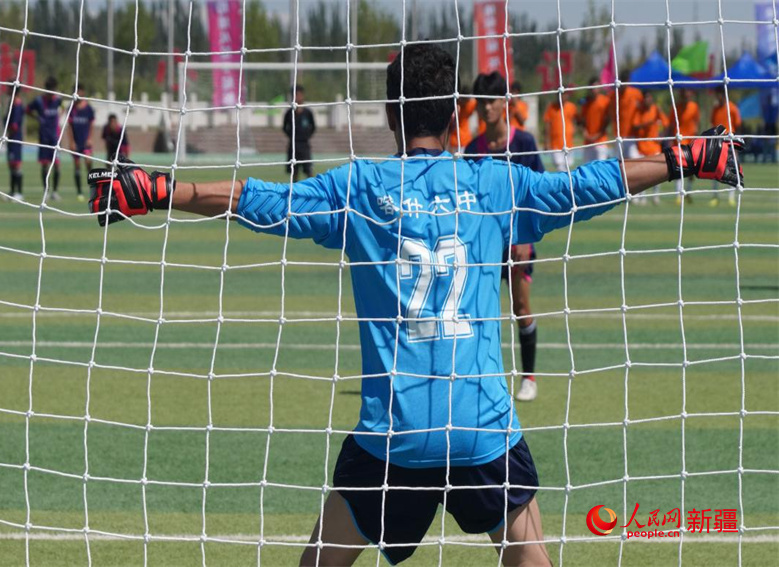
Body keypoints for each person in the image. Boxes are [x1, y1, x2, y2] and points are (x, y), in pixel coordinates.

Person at [87, 44, 744, 567]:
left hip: (394, 437)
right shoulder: (494, 182)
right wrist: (688, 156)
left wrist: (158, 188)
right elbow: (590, 184)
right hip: (481, 426)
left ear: (389, 113)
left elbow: (255, 200)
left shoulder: (361, 188)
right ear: (457, 109)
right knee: (528, 552)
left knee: (320, 559)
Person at [465, 71, 543, 402]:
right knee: (478, 311)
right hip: (483, 247)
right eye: (481, 102)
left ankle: (529, 377)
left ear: (505, 103)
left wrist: (524, 238)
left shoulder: (523, 143)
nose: (486, 108)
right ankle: (481, 379)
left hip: (517, 244)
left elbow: (539, 192)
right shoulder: (472, 149)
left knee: (520, 306)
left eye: (492, 101)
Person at [27, 76, 63, 200]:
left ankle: (55, 191)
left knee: (57, 165)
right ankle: (46, 191)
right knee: (44, 165)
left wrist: (59, 117)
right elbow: (27, 109)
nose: (51, 92)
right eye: (50, 89)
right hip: (44, 137)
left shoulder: (58, 100)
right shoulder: (39, 101)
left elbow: (64, 107)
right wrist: (37, 118)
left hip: (55, 138)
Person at [630, 91, 669, 205]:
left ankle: (655, 197)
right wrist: (647, 124)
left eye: (649, 97)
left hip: (654, 146)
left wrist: (662, 137)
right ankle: (642, 197)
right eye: (645, 98)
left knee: (657, 174)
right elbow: (635, 125)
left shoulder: (656, 109)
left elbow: (666, 124)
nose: (647, 100)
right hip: (642, 146)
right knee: (641, 175)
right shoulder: (639, 111)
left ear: (651, 98)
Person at [709, 87, 742, 206]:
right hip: (717, 143)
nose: (717, 97)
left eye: (719, 95)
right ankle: (715, 196)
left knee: (732, 169)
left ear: (723, 94)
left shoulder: (732, 108)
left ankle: (731, 197)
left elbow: (738, 125)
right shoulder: (715, 109)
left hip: (730, 142)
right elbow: (713, 125)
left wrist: (736, 142)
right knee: (714, 170)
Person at [603, 70, 643, 160]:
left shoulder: (636, 93)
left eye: (625, 81)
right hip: (617, 135)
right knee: (618, 160)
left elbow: (642, 110)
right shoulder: (612, 95)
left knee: (633, 158)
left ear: (628, 80)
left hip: (631, 135)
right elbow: (607, 111)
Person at [670, 89, 701, 204]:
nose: (686, 94)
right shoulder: (676, 107)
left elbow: (696, 123)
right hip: (678, 142)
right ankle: (679, 195)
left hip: (690, 142)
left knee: (692, 171)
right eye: (684, 93)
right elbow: (671, 124)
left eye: (688, 92)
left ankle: (687, 191)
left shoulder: (694, 107)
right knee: (679, 169)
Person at [67, 83, 96, 202]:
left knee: (88, 162)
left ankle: (93, 189)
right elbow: (69, 126)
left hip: (86, 143)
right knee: (77, 166)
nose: (77, 93)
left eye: (79, 90)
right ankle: (79, 192)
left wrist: (90, 138)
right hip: (76, 143)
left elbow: (92, 125)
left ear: (83, 92)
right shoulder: (71, 108)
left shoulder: (88, 108)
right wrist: (71, 142)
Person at [282, 85, 316, 180]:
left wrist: (306, 136)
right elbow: (284, 127)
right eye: (295, 95)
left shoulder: (308, 113)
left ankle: (312, 192)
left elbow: (313, 127)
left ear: (303, 96)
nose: (297, 97)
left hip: (304, 146)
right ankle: (294, 193)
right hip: (293, 145)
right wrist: (292, 136)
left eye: (299, 95)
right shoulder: (289, 113)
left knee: (309, 171)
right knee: (294, 172)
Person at [543, 90, 577, 171]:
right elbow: (547, 125)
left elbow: (577, 119)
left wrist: (574, 128)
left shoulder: (571, 107)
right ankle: (566, 183)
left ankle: (568, 183)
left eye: (564, 95)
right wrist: (546, 142)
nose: (563, 97)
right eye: (561, 95)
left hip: (569, 144)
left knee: (568, 165)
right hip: (555, 144)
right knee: (560, 167)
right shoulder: (551, 107)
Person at [579, 77, 611, 162]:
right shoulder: (585, 102)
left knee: (601, 166)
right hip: (588, 141)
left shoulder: (605, 101)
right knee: (588, 168)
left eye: (596, 87)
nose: (594, 90)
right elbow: (582, 120)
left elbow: (608, 120)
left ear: (600, 88)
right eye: (592, 87)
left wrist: (598, 135)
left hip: (601, 140)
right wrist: (585, 133)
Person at [5, 92, 25, 200]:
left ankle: (19, 192)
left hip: (15, 138)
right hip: (11, 138)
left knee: (17, 165)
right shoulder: (11, 103)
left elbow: (14, 125)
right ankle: (12, 192)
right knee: (11, 165)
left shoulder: (17, 104)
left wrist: (9, 132)